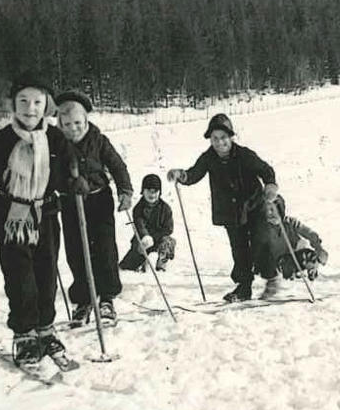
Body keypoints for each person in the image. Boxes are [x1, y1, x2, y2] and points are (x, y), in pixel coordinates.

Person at [0, 75, 78, 372]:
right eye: (23, 102)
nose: (30, 108)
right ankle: (24, 333)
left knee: (46, 275)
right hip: (12, 214)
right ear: (13, 105)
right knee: (20, 277)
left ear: (46, 106)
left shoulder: (55, 139)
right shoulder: (1, 140)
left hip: (46, 213)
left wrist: (76, 182)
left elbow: (69, 171)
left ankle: (45, 329)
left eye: (38, 102)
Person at [167, 113, 282, 302]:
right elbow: (194, 174)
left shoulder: (244, 154)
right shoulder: (208, 158)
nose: (219, 143)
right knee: (239, 250)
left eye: (223, 138)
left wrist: (270, 185)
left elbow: (265, 170)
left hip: (254, 206)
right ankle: (243, 288)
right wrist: (181, 174)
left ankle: (271, 278)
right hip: (230, 211)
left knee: (260, 243)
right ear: (210, 140)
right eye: (215, 139)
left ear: (230, 138)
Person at [53, 90, 133, 328]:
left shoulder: (98, 140)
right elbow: (50, 174)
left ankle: (107, 297)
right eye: (66, 124)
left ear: (86, 121)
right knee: (76, 251)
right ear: (59, 124)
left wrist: (125, 191)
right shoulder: (56, 144)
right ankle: (83, 299)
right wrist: (63, 185)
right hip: (70, 203)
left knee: (105, 248)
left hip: (99, 201)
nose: (73, 129)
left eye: (78, 123)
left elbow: (117, 166)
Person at [259, 194, 328, 282]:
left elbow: (307, 232)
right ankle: (290, 275)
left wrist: (318, 246)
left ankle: (312, 268)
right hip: (279, 259)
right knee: (286, 265)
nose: (269, 213)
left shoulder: (289, 222)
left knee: (309, 256)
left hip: (296, 254)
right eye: (267, 210)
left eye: (273, 210)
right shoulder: (264, 227)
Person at [119, 173, 176, 272]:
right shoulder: (138, 209)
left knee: (168, 241)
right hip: (143, 240)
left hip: (158, 239)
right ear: (143, 191)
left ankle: (161, 265)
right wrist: (146, 238)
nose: (152, 195)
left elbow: (168, 228)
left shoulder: (165, 208)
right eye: (149, 191)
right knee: (128, 265)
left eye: (155, 191)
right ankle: (141, 263)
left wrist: (154, 238)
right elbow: (140, 226)